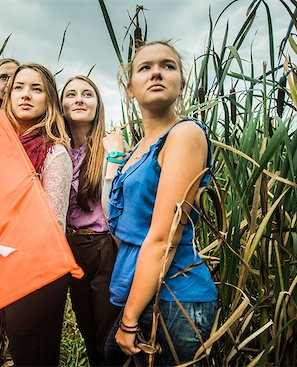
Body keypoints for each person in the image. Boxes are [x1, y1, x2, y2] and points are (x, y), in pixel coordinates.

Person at [102, 41, 217, 366]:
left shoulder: (184, 135)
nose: (156, 72)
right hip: (144, 291)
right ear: (129, 90)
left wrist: (128, 320)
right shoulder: (140, 146)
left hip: (176, 298)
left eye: (167, 65)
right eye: (145, 67)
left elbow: (163, 237)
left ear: (181, 84)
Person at [0, 63, 73, 366]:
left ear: (49, 100)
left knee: (33, 351)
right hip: (3, 265)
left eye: (36, 88)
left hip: (37, 271)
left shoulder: (53, 152)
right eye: (19, 87)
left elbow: (52, 225)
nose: (25, 95)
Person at [60, 75, 120, 366]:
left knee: (106, 333)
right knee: (86, 329)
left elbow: (115, 204)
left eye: (88, 94)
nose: (80, 99)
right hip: (71, 248)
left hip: (103, 247)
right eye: (71, 94)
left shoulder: (110, 148)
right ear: (61, 105)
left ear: (98, 105)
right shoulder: (57, 151)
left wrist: (117, 157)